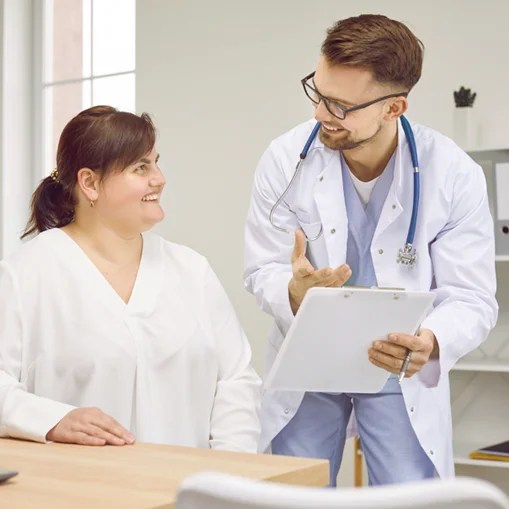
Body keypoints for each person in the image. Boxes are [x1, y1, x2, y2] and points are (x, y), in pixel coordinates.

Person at [244, 14, 498, 484]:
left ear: (394, 107)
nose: (321, 114)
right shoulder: (285, 160)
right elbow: (262, 268)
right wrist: (295, 292)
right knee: (293, 493)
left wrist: (432, 341)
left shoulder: (453, 174)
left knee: (409, 496)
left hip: (397, 363)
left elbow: (473, 297)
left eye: (341, 105)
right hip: (308, 360)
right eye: (318, 93)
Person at [0, 105, 261, 452]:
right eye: (141, 167)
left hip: (190, 494)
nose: (160, 178)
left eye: (155, 162)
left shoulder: (191, 270)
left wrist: (229, 470)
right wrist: (51, 419)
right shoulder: (27, 274)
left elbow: (235, 380)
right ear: (90, 183)